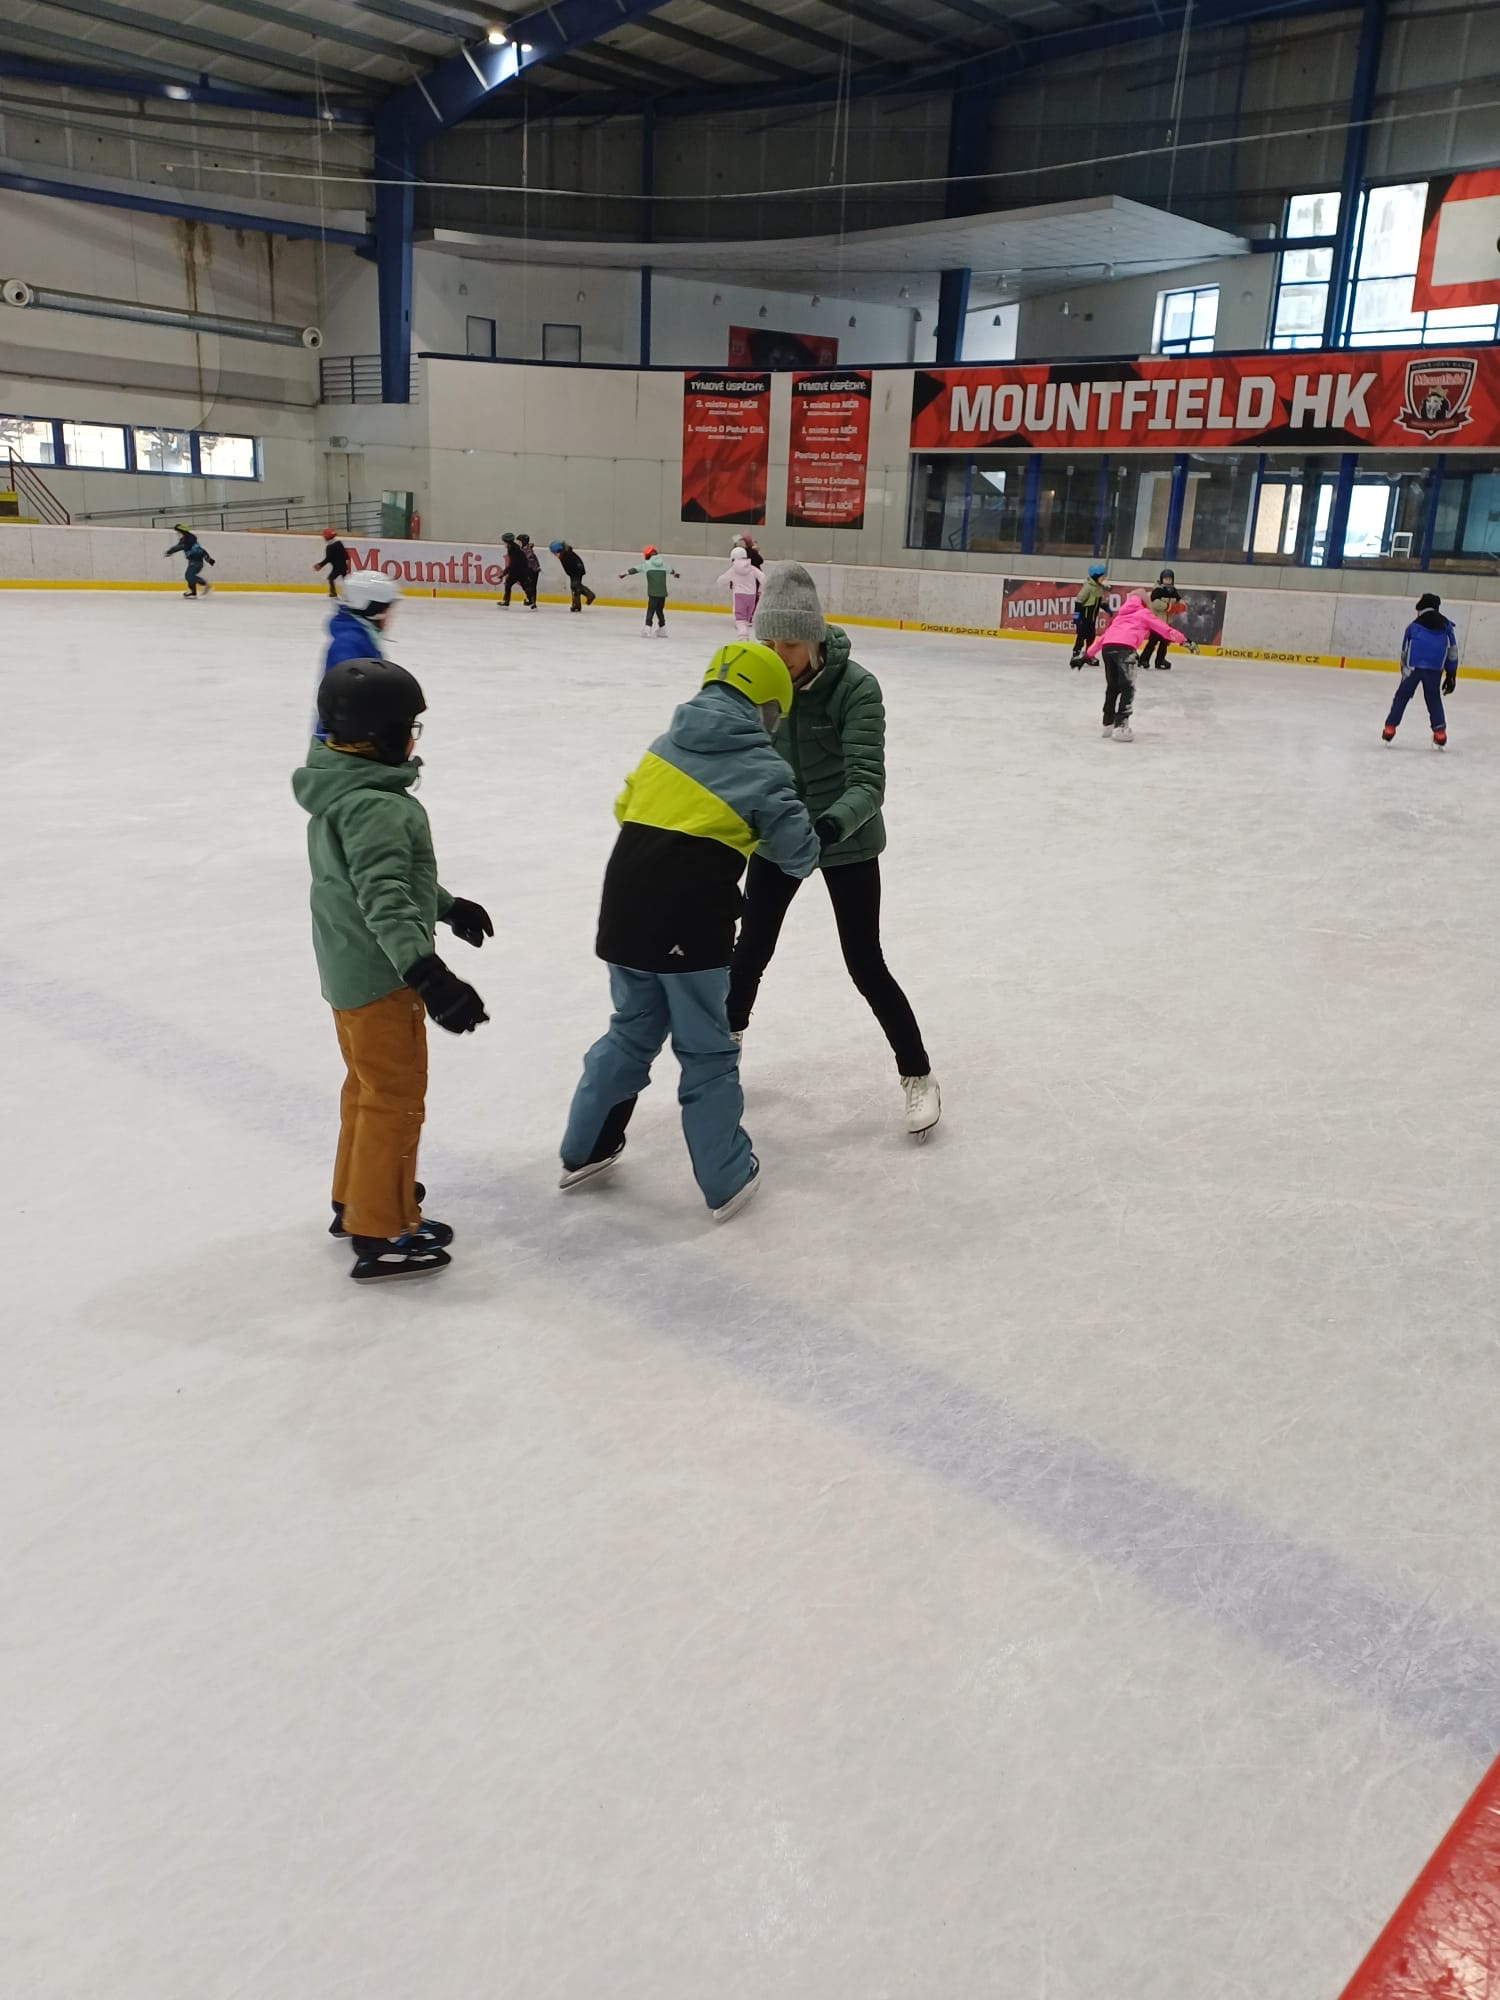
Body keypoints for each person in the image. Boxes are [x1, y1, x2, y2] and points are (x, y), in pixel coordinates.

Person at [559, 641, 820, 1222]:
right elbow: (798, 853)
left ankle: (585, 1148)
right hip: (691, 922)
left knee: (631, 1031)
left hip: (622, 911)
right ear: (766, 708)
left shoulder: (662, 746)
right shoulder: (763, 768)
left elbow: (624, 807)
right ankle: (727, 1177)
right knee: (707, 1051)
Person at [727, 563, 942, 1141]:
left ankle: (918, 1073)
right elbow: (748, 760)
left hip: (846, 839)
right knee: (750, 950)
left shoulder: (857, 688)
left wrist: (823, 830)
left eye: (790, 644)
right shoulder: (759, 681)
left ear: (814, 638)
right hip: (779, 835)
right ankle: (724, 1051)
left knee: (864, 961)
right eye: (769, 643)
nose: (779, 656)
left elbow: (867, 783)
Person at [293, 658, 492, 1282]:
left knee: (365, 1089)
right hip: (382, 978)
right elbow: (385, 899)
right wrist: (428, 974)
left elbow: (381, 881)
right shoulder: (379, 808)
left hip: (345, 971)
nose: (413, 739)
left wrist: (448, 907)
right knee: (395, 1100)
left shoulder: (337, 792)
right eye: (409, 727)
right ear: (382, 736)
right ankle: (380, 1229)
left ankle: (356, 1197)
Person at [1085, 590, 1197, 741]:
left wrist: (1087, 654)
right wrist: (1184, 641)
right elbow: (1165, 630)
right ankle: (1121, 727)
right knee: (1127, 687)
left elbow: (1103, 638)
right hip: (1125, 650)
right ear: (1145, 603)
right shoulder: (1144, 613)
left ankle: (1107, 724)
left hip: (1108, 649)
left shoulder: (1120, 616)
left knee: (1113, 687)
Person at [315, 572, 401, 740]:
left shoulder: (361, 638)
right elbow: (343, 700)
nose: (391, 616)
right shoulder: (349, 644)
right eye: (387, 609)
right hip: (342, 744)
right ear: (374, 609)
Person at [1383, 592, 1458, 749]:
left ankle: (1390, 728)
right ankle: (1440, 733)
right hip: (1435, 669)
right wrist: (1451, 673)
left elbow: (1404, 651)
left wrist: (1404, 671)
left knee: (1402, 696)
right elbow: (1452, 651)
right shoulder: (1447, 626)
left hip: (1413, 667)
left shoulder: (1413, 626)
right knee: (1433, 698)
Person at [620, 546, 680, 636]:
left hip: (653, 592)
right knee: (659, 610)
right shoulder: (664, 565)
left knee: (651, 610)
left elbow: (636, 569)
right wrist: (675, 574)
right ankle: (662, 628)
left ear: (647, 556)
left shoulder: (647, 565)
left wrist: (625, 573)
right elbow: (672, 571)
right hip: (662, 593)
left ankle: (647, 628)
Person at [1138, 568, 1184, 671]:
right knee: (1152, 642)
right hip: (1157, 623)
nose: (1167, 581)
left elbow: (1180, 601)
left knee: (1164, 643)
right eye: (1165, 579)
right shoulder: (1158, 590)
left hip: (1167, 624)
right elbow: (1156, 604)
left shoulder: (1173, 591)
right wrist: (1169, 607)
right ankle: (1143, 659)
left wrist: (1181, 606)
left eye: (1169, 579)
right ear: (1161, 579)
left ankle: (1160, 660)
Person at [717, 544, 763, 636]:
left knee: (740, 620)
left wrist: (723, 582)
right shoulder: (751, 568)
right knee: (747, 620)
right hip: (752, 596)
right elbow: (762, 576)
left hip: (739, 595)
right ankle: (745, 635)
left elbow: (721, 581)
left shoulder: (733, 570)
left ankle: (742, 637)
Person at [1070, 563, 1109, 668]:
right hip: (1084, 617)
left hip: (1092, 618)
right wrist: (1077, 616)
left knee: (1091, 637)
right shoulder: (1088, 587)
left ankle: (1088, 655)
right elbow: (1079, 601)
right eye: (1102, 576)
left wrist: (1106, 608)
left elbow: (1099, 600)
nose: (1104, 578)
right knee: (1081, 636)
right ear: (1096, 576)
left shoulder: (1099, 587)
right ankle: (1076, 654)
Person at [164, 523, 215, 599]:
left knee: (189, 576)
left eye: (178, 532)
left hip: (196, 562)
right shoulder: (186, 541)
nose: (177, 534)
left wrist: (170, 551)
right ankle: (192, 592)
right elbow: (179, 546)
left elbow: (199, 550)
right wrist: (208, 559)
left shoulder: (188, 541)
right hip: (193, 561)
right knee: (189, 576)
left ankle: (205, 585)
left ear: (182, 533)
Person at [550, 539, 596, 612]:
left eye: (555, 553)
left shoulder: (566, 555)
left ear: (559, 550)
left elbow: (574, 564)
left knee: (576, 585)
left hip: (577, 570)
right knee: (574, 588)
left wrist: (574, 572)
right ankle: (576, 605)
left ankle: (590, 595)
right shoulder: (563, 554)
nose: (555, 555)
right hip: (574, 571)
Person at [314, 529, 349, 598]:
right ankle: (349, 592)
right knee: (345, 579)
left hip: (337, 567)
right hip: (343, 566)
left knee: (331, 578)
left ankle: (333, 592)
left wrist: (320, 565)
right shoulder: (339, 543)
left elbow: (328, 558)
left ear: (326, 537)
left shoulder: (329, 547)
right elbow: (346, 555)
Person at [496, 532, 526, 608]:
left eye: (504, 542)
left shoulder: (513, 549)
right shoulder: (514, 547)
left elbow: (513, 564)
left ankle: (506, 601)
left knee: (509, 584)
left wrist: (504, 573)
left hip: (517, 571)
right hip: (519, 570)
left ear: (507, 542)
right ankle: (531, 600)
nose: (503, 543)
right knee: (511, 584)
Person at [516, 532, 541, 610]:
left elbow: (530, 562)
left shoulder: (527, 551)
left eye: (519, 542)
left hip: (532, 570)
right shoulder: (524, 549)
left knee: (531, 586)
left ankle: (532, 602)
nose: (518, 543)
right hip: (531, 570)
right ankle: (531, 600)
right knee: (529, 586)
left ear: (523, 542)